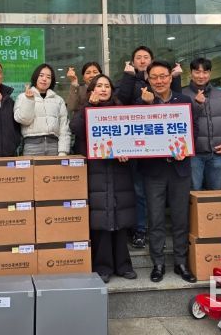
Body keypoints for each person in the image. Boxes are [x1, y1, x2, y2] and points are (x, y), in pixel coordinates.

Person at [70, 74, 137, 283]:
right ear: (91, 90)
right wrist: (88, 107)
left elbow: (133, 138)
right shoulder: (85, 109)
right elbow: (76, 128)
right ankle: (103, 266)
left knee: (120, 217)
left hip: (119, 170)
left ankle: (123, 265)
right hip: (96, 170)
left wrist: (127, 153)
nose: (103, 89)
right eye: (98, 86)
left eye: (107, 86)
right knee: (101, 219)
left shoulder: (121, 111)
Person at [116, 46, 182, 250]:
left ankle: (159, 233)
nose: (142, 60)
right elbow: (122, 104)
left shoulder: (161, 82)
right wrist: (128, 78)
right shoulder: (128, 80)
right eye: (138, 57)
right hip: (137, 146)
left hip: (162, 149)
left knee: (160, 194)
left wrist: (176, 79)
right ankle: (141, 230)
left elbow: (177, 108)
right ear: (132, 61)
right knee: (139, 191)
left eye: (146, 57)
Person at [137, 60, 196, 283]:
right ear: (148, 80)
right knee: (156, 219)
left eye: (163, 76)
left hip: (179, 169)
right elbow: (134, 133)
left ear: (171, 78)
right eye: (154, 77)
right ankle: (158, 263)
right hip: (153, 171)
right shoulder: (140, 102)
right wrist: (148, 105)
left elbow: (193, 129)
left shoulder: (184, 101)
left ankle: (181, 263)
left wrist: (186, 149)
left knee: (181, 218)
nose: (159, 81)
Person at [182, 57, 221, 190]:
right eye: (197, 72)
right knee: (194, 192)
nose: (201, 76)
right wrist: (197, 104)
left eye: (205, 72)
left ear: (210, 73)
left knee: (215, 192)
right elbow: (181, 123)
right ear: (191, 73)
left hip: (217, 153)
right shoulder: (182, 95)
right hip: (193, 155)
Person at [14, 63, 71, 156]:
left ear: (51, 81)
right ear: (35, 77)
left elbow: (64, 127)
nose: (44, 79)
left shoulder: (58, 100)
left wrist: (63, 151)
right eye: (41, 75)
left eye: (48, 77)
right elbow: (24, 120)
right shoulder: (22, 97)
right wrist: (29, 100)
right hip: (32, 146)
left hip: (54, 146)